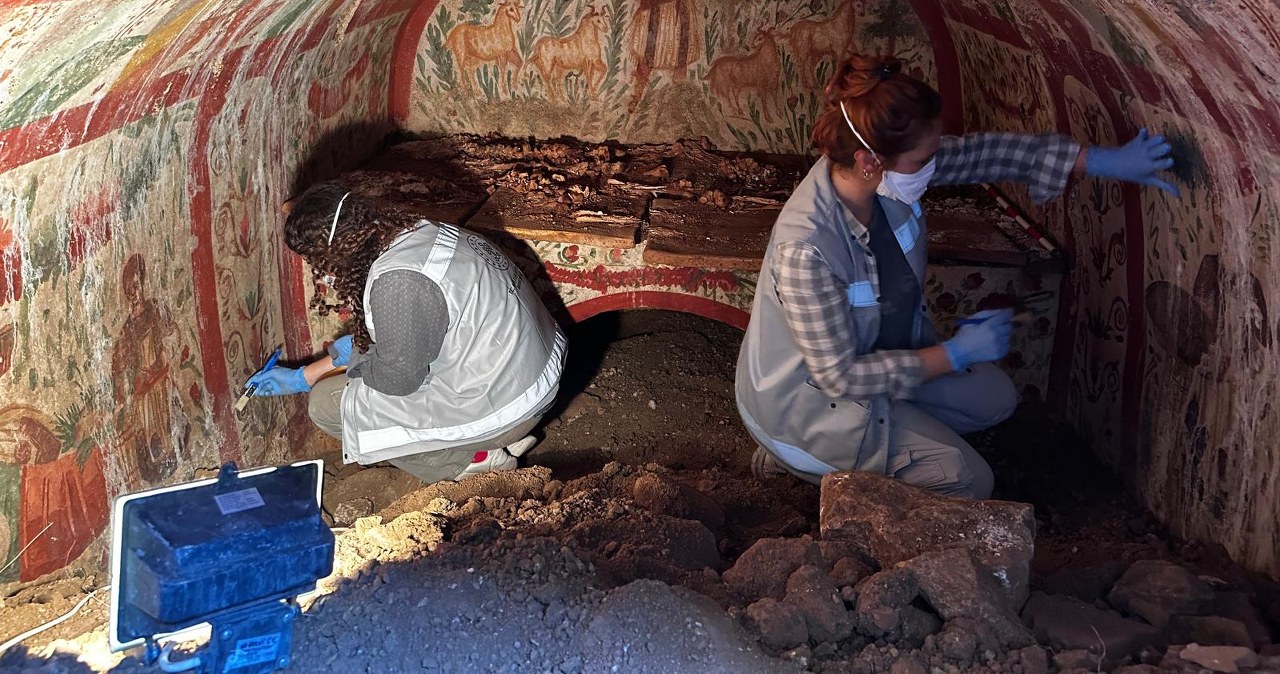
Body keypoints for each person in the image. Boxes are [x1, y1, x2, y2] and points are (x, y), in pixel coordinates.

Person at [736, 54, 1177, 499]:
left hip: (881, 361)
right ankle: (797, 458)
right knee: (970, 480)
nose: (936, 164)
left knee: (994, 398)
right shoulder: (807, 246)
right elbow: (840, 376)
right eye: (925, 158)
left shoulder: (878, 171)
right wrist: (954, 353)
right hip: (811, 405)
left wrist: (1101, 161)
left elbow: (982, 154)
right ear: (871, 159)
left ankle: (873, 444)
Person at [247, 183, 566, 483]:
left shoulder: (397, 281)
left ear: (336, 251)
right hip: (536, 374)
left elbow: (396, 379)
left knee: (327, 405)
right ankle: (491, 438)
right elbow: (406, 334)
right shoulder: (416, 232)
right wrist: (305, 373)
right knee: (373, 370)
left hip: (510, 405)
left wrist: (340, 367)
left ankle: (477, 459)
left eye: (317, 261)